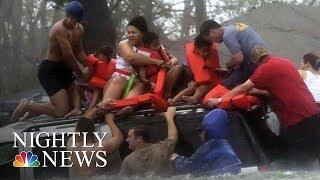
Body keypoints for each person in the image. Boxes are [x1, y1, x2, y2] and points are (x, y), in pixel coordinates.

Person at [207, 46, 320, 170]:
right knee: (312, 159)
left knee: (297, 162)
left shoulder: (264, 69)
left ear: (256, 62)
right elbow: (284, 89)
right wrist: (261, 92)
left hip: (298, 119)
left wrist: (219, 100)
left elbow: (243, 88)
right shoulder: (286, 62)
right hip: (314, 114)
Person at [11, 1, 90, 121]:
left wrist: (92, 64)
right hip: (50, 71)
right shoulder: (59, 29)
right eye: (70, 17)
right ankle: (28, 105)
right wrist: (80, 74)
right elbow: (68, 55)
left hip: (65, 70)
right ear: (67, 16)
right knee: (62, 111)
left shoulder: (79, 29)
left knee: (74, 107)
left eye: (75, 19)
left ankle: (34, 110)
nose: (72, 21)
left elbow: (78, 52)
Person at [97, 16, 166, 112]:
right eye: (128, 32)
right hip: (120, 78)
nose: (130, 35)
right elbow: (130, 57)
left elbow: (167, 56)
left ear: (142, 34)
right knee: (106, 106)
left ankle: (122, 111)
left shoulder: (150, 45)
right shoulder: (123, 44)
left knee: (128, 106)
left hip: (138, 82)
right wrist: (155, 61)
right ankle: (101, 110)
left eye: (134, 32)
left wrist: (173, 60)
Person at [170, 109, 241, 176]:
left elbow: (188, 166)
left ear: (210, 130)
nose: (200, 135)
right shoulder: (225, 146)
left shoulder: (211, 146)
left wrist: (175, 158)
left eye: (202, 131)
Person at [200, 20, 269, 89]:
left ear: (212, 31)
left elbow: (238, 58)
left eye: (210, 39)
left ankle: (218, 98)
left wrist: (227, 66)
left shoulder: (227, 35)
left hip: (256, 62)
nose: (214, 42)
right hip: (264, 57)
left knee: (226, 84)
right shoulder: (234, 27)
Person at [119, 106, 178, 175]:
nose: (127, 140)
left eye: (129, 137)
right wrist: (169, 117)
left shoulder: (128, 161)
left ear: (139, 139)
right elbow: (172, 137)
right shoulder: (162, 148)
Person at [67, 108, 123, 178]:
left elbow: (81, 124)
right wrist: (109, 120)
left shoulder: (70, 144)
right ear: (92, 134)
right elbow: (119, 137)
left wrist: (96, 108)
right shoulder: (97, 149)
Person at [168, 35, 220, 105]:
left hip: (210, 83)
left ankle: (194, 98)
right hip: (196, 82)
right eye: (204, 51)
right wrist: (190, 80)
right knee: (193, 86)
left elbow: (215, 68)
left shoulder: (211, 57)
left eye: (208, 51)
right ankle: (174, 100)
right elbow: (187, 70)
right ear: (196, 49)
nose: (206, 53)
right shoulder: (191, 58)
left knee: (203, 87)